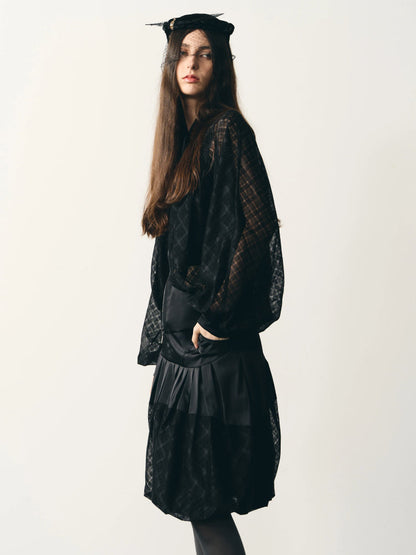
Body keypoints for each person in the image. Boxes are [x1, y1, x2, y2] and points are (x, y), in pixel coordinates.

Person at [137, 13, 284, 554]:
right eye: (183, 53)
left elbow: (258, 226)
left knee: (208, 506)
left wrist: (218, 316)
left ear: (220, 66)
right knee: (200, 507)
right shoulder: (181, 139)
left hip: (211, 353)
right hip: (182, 351)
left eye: (204, 54)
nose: (191, 64)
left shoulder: (226, 130)